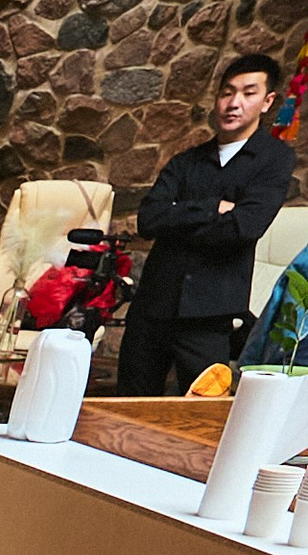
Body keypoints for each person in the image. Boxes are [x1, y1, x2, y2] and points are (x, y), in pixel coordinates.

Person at [115, 55, 294, 397]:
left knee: (203, 414)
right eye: (227, 92)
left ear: (267, 101)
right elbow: (148, 219)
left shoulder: (274, 159)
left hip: (211, 315)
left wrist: (178, 216)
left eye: (248, 93)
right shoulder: (186, 161)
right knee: (127, 407)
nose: (234, 103)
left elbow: (244, 227)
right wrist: (213, 208)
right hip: (153, 305)